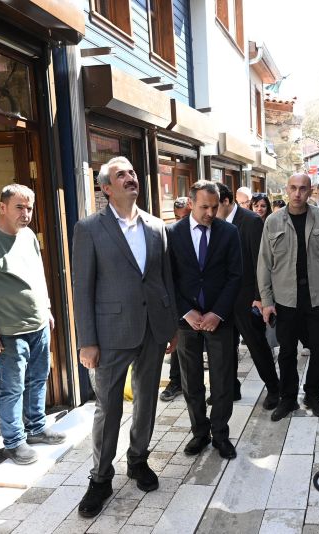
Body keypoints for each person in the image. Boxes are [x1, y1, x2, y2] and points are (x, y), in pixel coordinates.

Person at [72, 157, 178, 517]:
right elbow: (81, 289)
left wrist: (171, 326)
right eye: (122, 175)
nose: (131, 178)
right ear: (106, 188)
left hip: (152, 329)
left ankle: (138, 460)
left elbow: (165, 279)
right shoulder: (88, 229)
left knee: (147, 400)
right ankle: (100, 477)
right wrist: (87, 340)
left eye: (132, 172)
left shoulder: (156, 225)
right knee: (109, 407)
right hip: (111, 333)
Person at [0, 184, 63, 466]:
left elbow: (37, 275)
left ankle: (36, 427)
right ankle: (13, 441)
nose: (26, 213)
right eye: (20, 207)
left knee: (38, 378)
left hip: (39, 324)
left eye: (29, 207)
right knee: (12, 388)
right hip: (8, 332)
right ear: (2, 207)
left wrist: (46, 307)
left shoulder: (29, 235)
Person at [167, 180, 242, 460]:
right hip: (187, 321)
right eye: (204, 207)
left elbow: (236, 275)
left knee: (222, 379)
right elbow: (169, 278)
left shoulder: (229, 232)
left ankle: (221, 434)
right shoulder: (172, 233)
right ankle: (200, 433)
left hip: (218, 319)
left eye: (214, 206)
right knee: (191, 380)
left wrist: (217, 313)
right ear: (190, 203)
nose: (210, 212)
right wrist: (186, 311)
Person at [258, 173, 319, 421]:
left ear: (310, 190)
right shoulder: (273, 222)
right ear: (286, 189)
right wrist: (267, 301)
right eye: (293, 188)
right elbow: (264, 264)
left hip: (318, 298)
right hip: (286, 299)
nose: (297, 193)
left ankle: (313, 395)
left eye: (302, 189)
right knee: (287, 352)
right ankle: (288, 399)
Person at [216, 184, 280, 409]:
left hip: (247, 297)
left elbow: (260, 261)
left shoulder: (251, 221)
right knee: (225, 347)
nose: (210, 211)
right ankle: (230, 388)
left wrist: (260, 296)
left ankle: (274, 389)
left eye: (215, 206)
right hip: (223, 298)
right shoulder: (215, 222)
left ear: (225, 202)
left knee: (256, 346)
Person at [160, 196, 192, 403]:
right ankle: (176, 382)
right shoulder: (170, 232)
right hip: (178, 299)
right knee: (178, 344)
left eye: (186, 216)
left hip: (203, 301)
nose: (182, 220)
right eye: (178, 216)